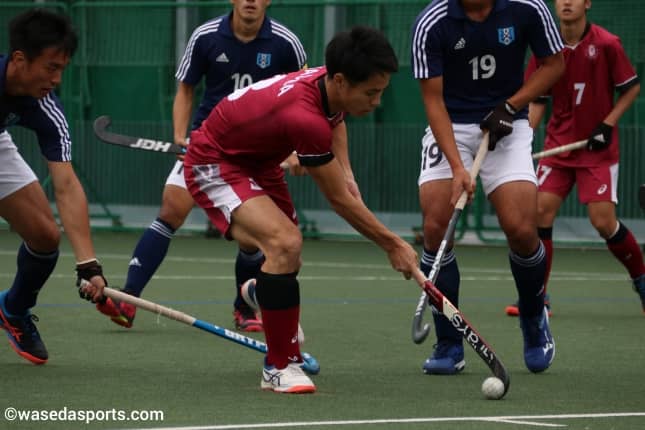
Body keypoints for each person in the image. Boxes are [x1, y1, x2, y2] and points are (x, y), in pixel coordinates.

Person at [183, 26, 419, 394]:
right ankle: (279, 366)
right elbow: (338, 201)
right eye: (371, 93)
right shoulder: (305, 118)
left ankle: (261, 292)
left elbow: (336, 119)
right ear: (340, 81)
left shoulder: (327, 84)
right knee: (284, 243)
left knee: (288, 256)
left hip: (258, 162)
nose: (377, 102)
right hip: (215, 162)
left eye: (381, 92)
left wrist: (347, 173)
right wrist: (393, 244)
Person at [96, 0, 307, 332]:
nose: (250, 1)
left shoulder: (286, 43)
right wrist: (181, 137)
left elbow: (304, 97)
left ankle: (244, 308)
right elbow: (186, 88)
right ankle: (128, 299)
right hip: (208, 143)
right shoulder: (205, 36)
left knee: (253, 238)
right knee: (171, 209)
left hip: (257, 151)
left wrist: (295, 149)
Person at [411, 0, 565, 375]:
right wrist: (458, 167)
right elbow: (433, 100)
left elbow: (554, 64)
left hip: (507, 124)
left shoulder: (528, 8)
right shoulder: (432, 23)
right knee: (435, 226)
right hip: (451, 125)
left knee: (521, 228)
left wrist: (511, 107)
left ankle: (533, 316)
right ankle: (449, 342)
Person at [505, 0, 644, 317]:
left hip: (597, 151)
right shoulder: (545, 47)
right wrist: (521, 140)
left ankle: (642, 280)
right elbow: (536, 100)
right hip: (559, 147)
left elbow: (631, 88)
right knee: (539, 213)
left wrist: (608, 123)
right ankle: (537, 298)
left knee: (603, 222)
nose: (567, 2)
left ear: (587, 3)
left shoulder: (607, 44)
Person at [0, 9, 107, 365]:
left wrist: (88, 264)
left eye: (62, 69)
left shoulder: (45, 105)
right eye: (50, 68)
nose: (57, 79)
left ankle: (13, 310)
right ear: (19, 60)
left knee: (46, 236)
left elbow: (66, 184)